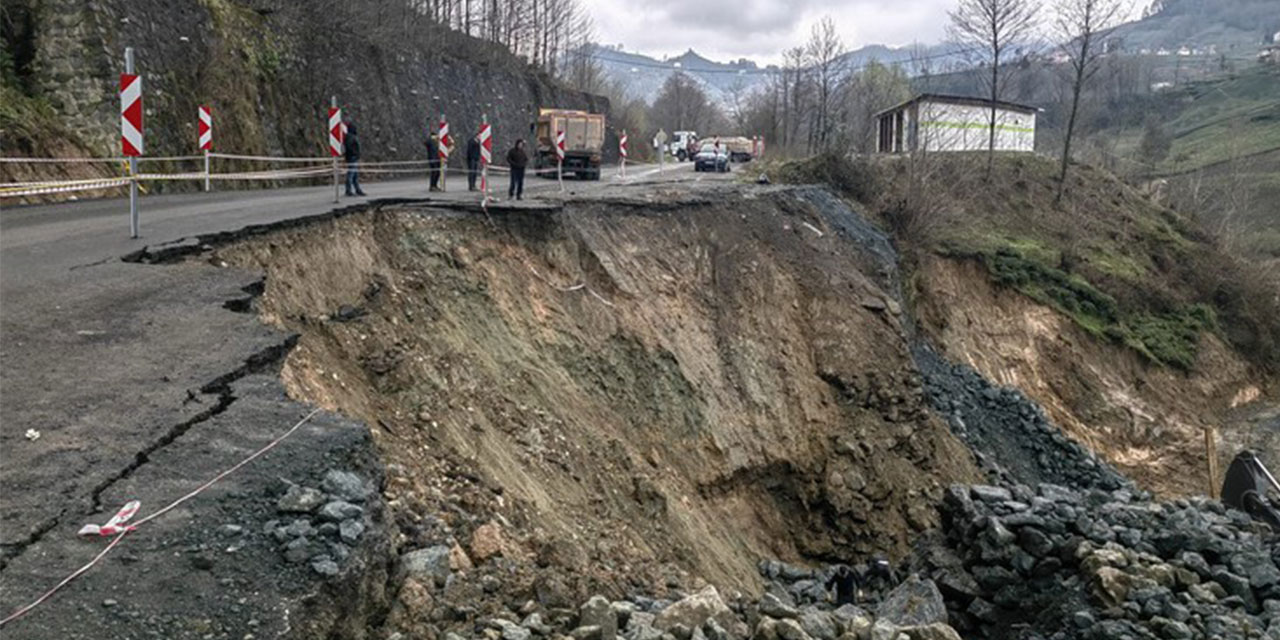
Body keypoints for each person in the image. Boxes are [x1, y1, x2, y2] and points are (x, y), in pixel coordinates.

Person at [343, 119, 365, 197]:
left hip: (353, 157)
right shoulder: (350, 137)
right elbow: (350, 147)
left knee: (355, 175)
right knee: (351, 174)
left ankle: (357, 189)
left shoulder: (349, 136)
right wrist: (355, 153)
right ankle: (349, 190)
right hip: (352, 157)